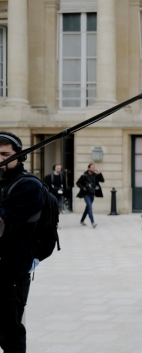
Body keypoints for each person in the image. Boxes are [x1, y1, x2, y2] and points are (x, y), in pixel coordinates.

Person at [0, 131, 45, 353]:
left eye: (4, 154)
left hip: (11, 275)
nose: (0, 159)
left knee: (9, 332)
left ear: (19, 156)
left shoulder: (28, 186)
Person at [76, 163, 104, 228]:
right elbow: (78, 183)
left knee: (88, 208)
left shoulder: (95, 176)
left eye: (94, 168)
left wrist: (99, 172)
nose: (93, 169)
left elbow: (102, 180)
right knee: (90, 206)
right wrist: (83, 188)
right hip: (86, 194)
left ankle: (82, 220)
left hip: (92, 193)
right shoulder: (84, 175)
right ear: (88, 168)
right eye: (92, 168)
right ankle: (93, 222)